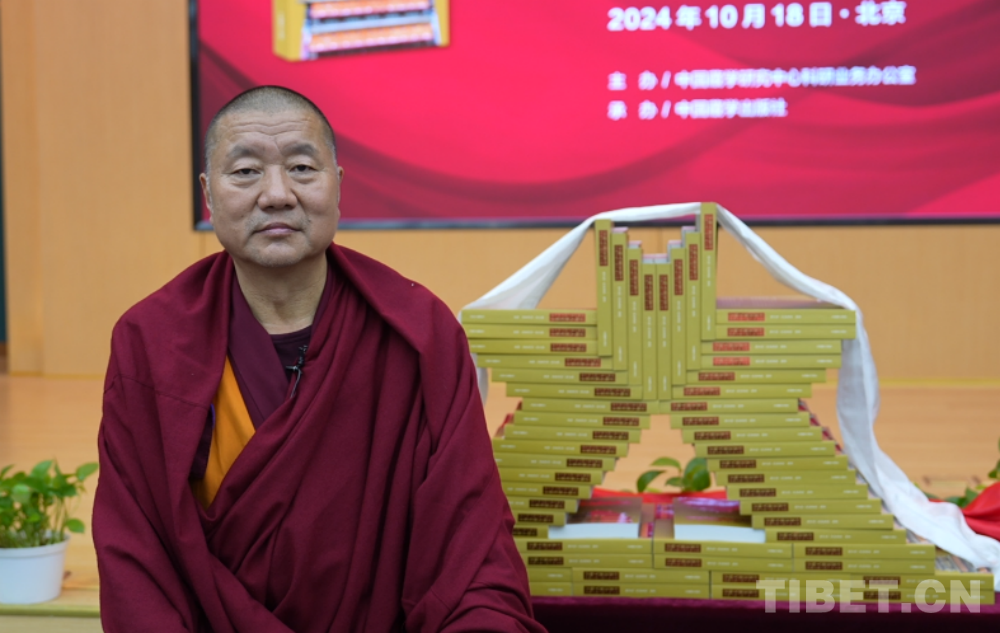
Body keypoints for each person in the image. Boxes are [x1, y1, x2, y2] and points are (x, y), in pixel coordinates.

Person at [93, 86, 544, 633]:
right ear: (208, 193)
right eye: (246, 172)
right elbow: (135, 558)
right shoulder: (153, 341)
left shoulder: (417, 334)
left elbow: (470, 551)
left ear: (338, 185)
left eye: (302, 168)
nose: (277, 195)